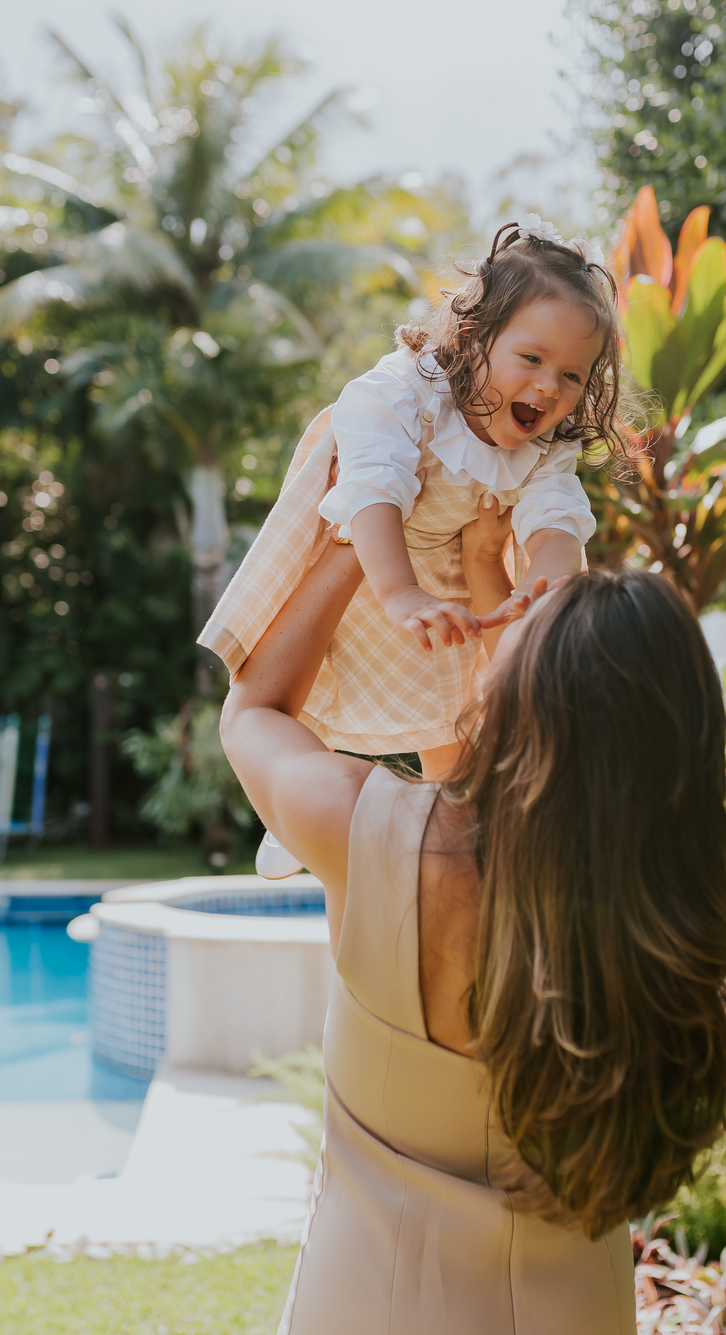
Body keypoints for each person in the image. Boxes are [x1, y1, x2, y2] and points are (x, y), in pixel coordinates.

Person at [219, 525, 726, 1335]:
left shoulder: (377, 836)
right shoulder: (678, 932)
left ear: (529, 698)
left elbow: (253, 709)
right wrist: (483, 575)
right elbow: (491, 785)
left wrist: (361, 535)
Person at [200, 218, 623, 876]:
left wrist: (547, 593)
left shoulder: (546, 447)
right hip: (366, 547)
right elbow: (372, 487)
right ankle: (295, 815)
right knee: (312, 683)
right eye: (532, 359)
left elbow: (555, 523)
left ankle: (447, 851)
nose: (549, 388)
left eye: (573, 375)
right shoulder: (408, 392)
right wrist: (397, 591)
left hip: (451, 581)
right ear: (474, 337)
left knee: (454, 725)